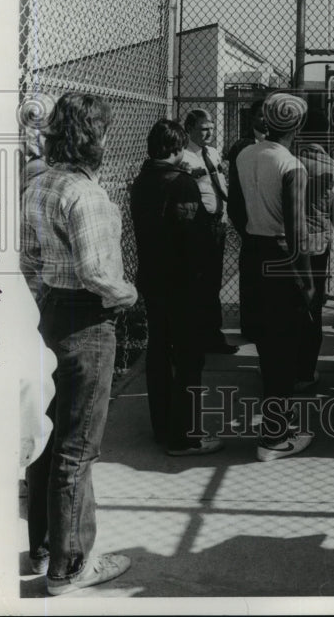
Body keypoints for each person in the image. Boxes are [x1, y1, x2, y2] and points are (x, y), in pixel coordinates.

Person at [20, 92, 136, 596]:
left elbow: (27, 259)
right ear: (94, 137)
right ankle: (70, 567)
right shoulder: (85, 194)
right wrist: (127, 293)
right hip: (89, 321)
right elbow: (95, 272)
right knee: (79, 446)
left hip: (49, 313)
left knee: (51, 433)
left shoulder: (38, 184)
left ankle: (43, 545)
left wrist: (45, 295)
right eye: (105, 132)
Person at [129, 119, 224, 456]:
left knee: (158, 353)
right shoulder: (181, 183)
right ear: (175, 148)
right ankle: (184, 435)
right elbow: (192, 238)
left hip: (153, 279)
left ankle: (163, 425)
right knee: (187, 357)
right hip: (182, 283)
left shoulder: (141, 181)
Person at [230, 92, 315, 461]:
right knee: (285, 346)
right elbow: (297, 232)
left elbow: (234, 208)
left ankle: (278, 420)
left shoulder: (244, 154)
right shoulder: (293, 165)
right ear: (298, 124)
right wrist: (308, 279)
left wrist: (253, 232)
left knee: (267, 343)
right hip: (282, 255)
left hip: (253, 252)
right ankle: (274, 437)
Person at [180, 108, 237, 354]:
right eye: (204, 128)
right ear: (190, 129)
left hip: (217, 223)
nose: (209, 132)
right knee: (197, 282)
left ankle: (212, 335)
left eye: (212, 127)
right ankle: (196, 335)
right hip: (197, 227)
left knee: (213, 281)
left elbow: (221, 183)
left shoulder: (212, 153)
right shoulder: (183, 156)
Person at [294, 106, 334, 390]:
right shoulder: (332, 168)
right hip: (318, 243)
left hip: (291, 241)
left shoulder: (291, 162)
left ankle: (287, 365)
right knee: (314, 307)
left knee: (291, 304)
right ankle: (307, 371)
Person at [226, 98, 267, 342]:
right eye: (261, 115)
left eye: (269, 115)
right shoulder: (241, 147)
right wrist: (244, 226)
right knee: (251, 277)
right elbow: (236, 194)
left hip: (272, 224)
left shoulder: (282, 146)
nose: (265, 119)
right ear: (252, 118)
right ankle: (250, 326)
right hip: (249, 224)